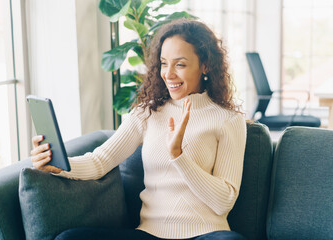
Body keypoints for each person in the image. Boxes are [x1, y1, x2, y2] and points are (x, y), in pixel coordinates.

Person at [30, 18, 247, 240]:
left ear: (205, 65)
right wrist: (59, 165)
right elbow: (100, 161)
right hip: (149, 234)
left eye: (180, 64)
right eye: (164, 63)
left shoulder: (228, 120)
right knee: (69, 238)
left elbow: (224, 202)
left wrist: (178, 156)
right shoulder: (148, 112)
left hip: (207, 234)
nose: (168, 74)